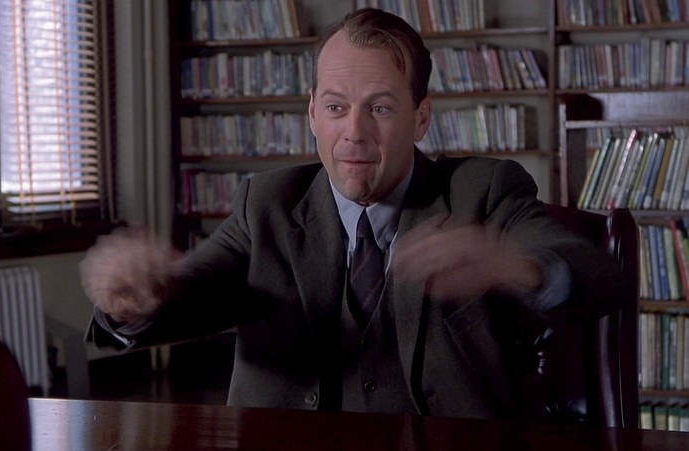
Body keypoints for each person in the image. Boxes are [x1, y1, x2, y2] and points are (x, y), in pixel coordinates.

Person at [80, 8, 625, 420]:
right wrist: (131, 301)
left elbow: (598, 274)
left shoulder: (482, 191)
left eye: (380, 108)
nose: (355, 132)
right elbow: (188, 293)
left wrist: (514, 264)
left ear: (421, 118)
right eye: (336, 107)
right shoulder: (266, 203)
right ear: (313, 115)